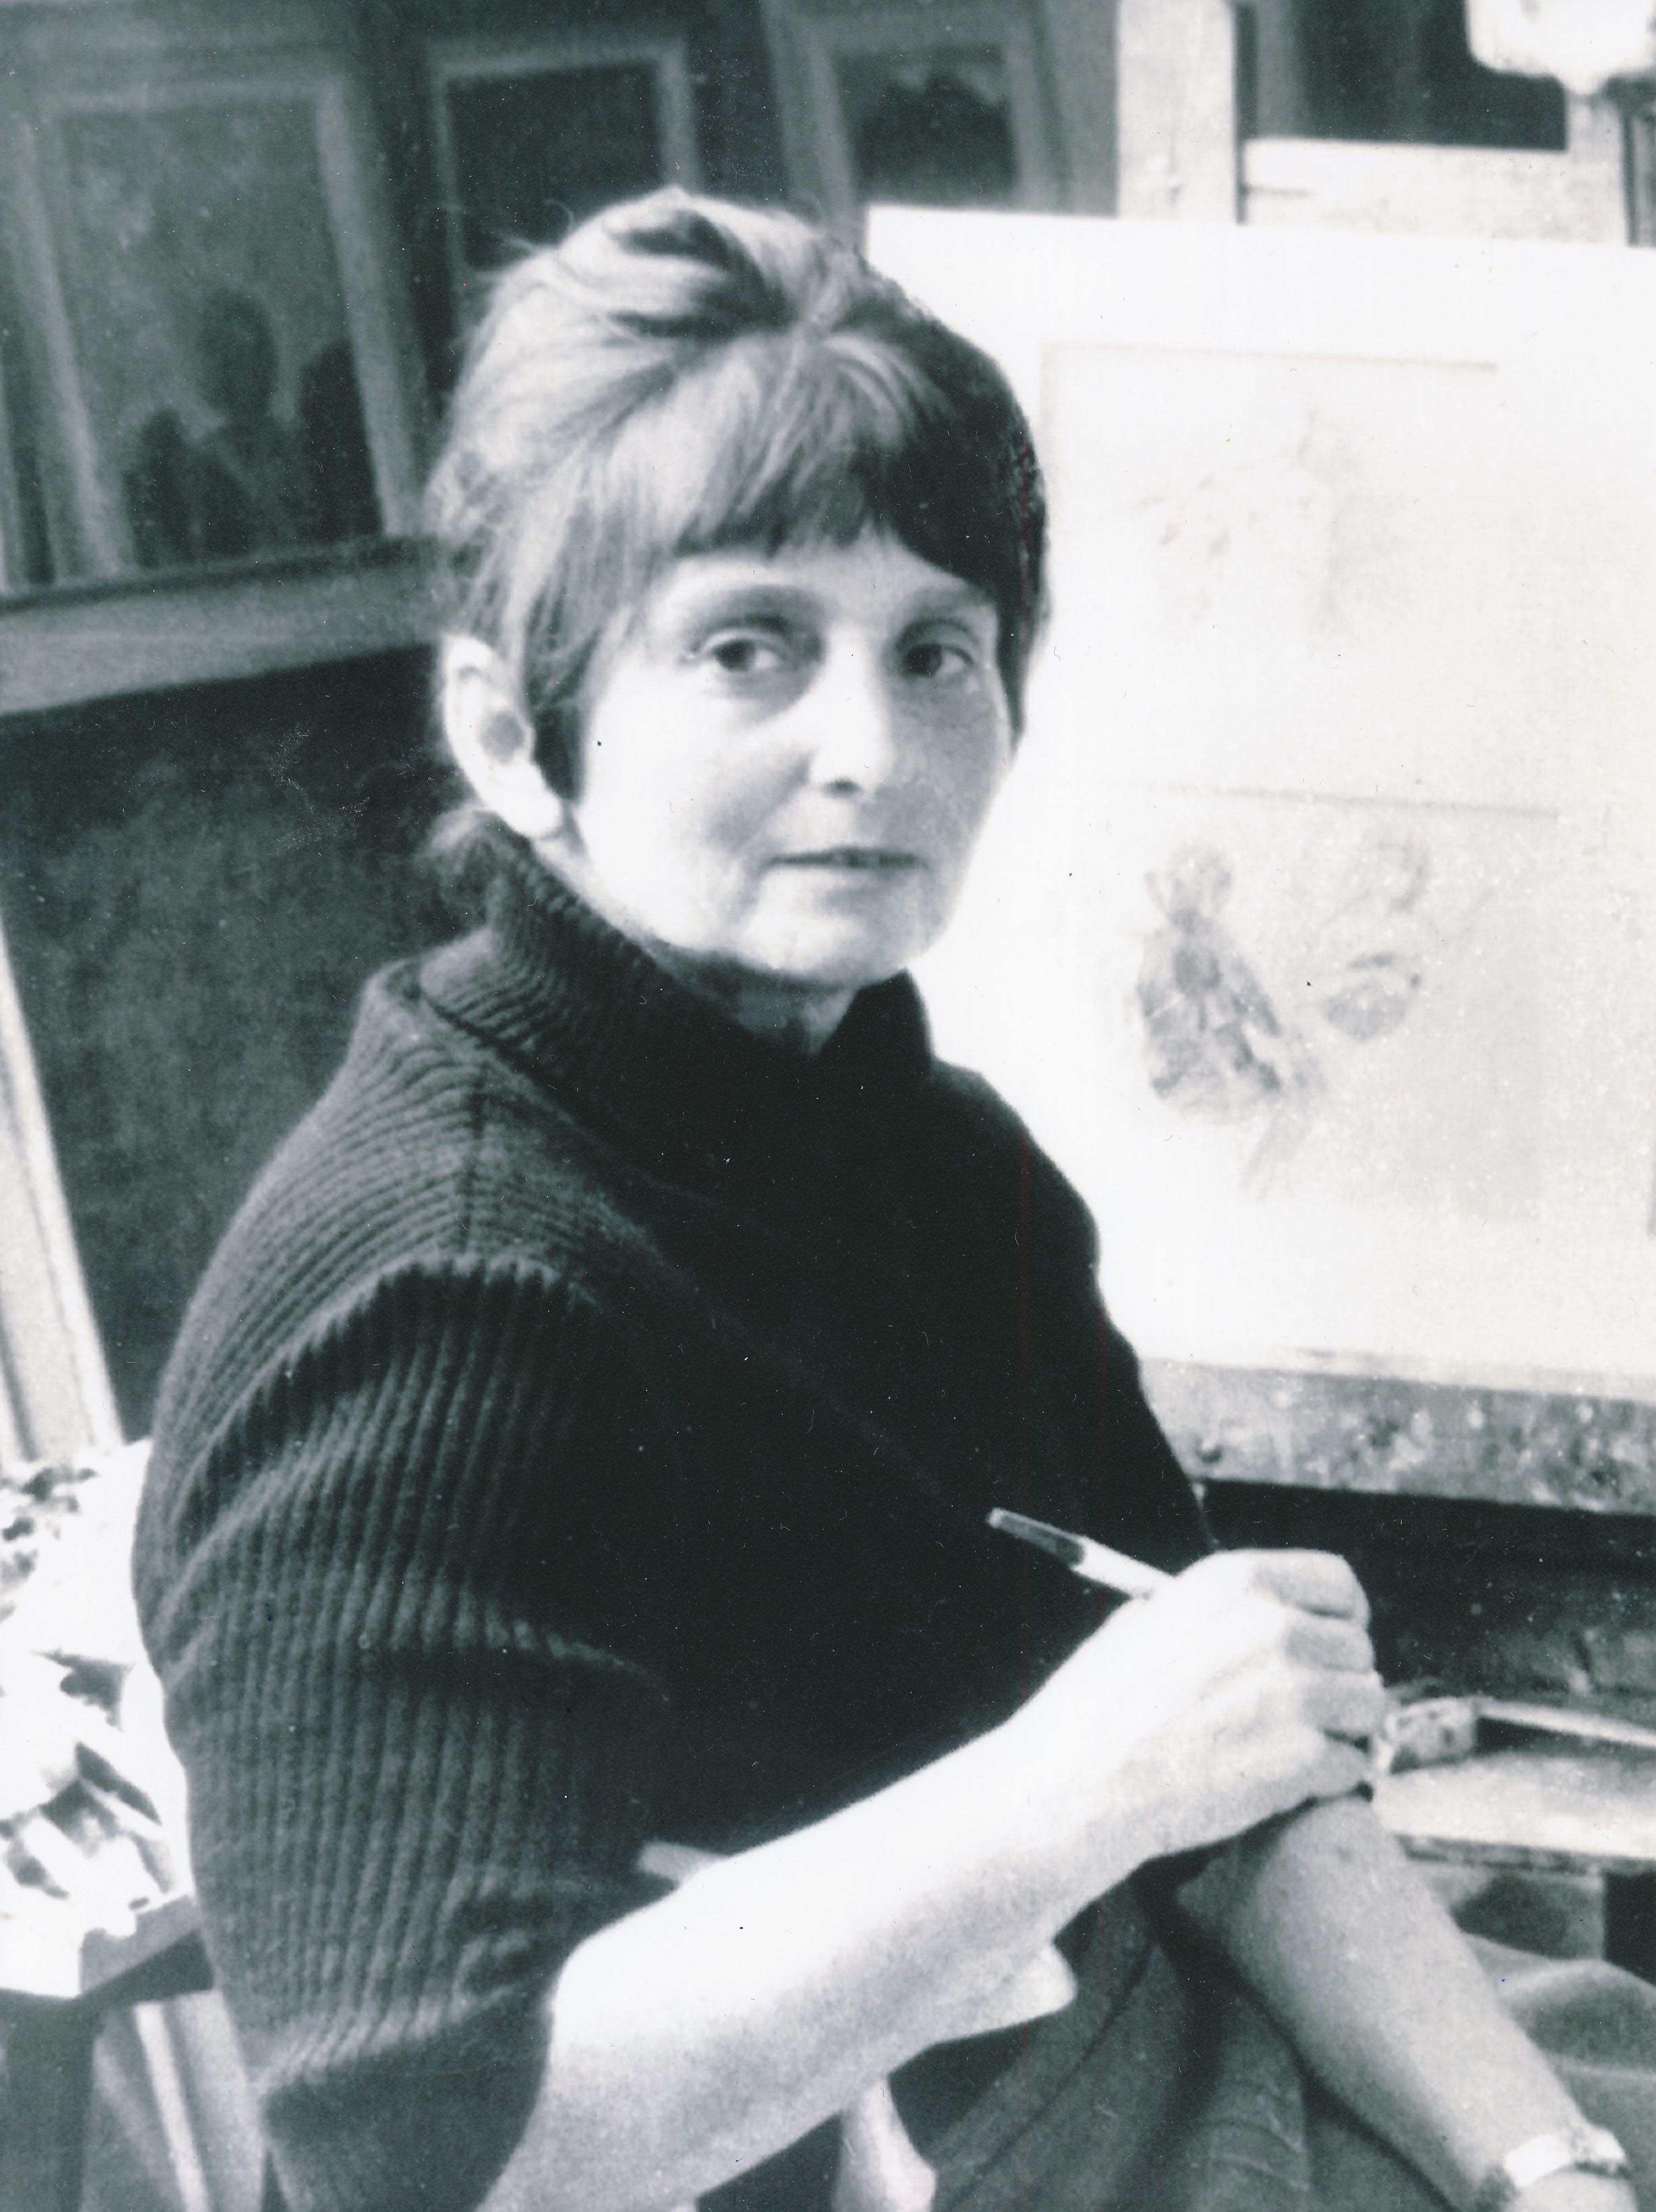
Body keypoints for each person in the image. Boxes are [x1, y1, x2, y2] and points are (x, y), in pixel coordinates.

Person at [133, 191, 1653, 2212]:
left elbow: (1232, 1801)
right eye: (747, 648)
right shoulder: (445, 1289)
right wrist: (1086, 1780)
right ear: (512, 734)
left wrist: (1542, 2168)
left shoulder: (930, 1150)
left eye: (937, 649)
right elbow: (429, 2155)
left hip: (1110, 2046)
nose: (871, 747)